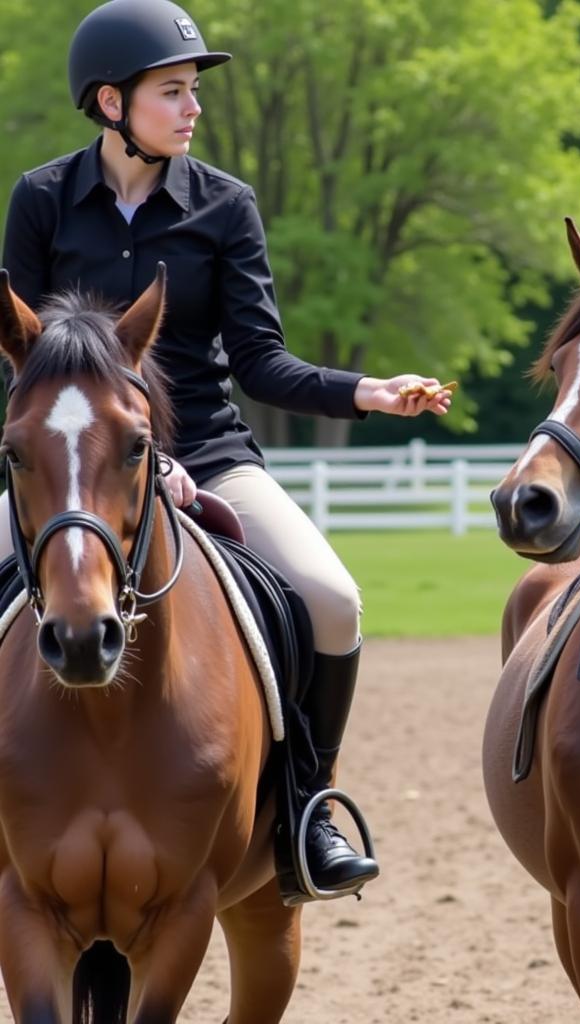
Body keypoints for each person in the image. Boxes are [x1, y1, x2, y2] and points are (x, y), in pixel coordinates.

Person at [0, 0, 452, 898]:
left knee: (331, 600)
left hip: (205, 451)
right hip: (70, 467)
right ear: (110, 102)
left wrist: (362, 391)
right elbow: (13, 355)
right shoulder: (42, 201)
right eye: (173, 91)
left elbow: (259, 360)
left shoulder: (225, 207)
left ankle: (308, 809)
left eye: (193, 90)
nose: (193, 107)